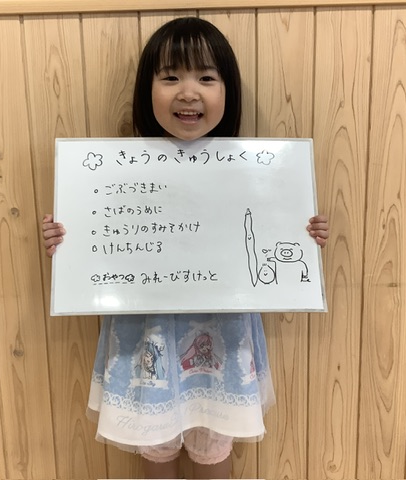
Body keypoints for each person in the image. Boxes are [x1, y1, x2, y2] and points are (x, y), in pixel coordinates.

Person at [42, 17, 329, 479]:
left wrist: (302, 234)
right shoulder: (117, 170)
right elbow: (93, 242)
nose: (188, 92)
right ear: (147, 89)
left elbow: (273, 235)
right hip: (147, 334)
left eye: (206, 78)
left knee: (215, 449)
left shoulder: (249, 167)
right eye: (171, 77)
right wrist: (67, 239)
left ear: (227, 90)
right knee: (156, 452)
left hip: (222, 335)